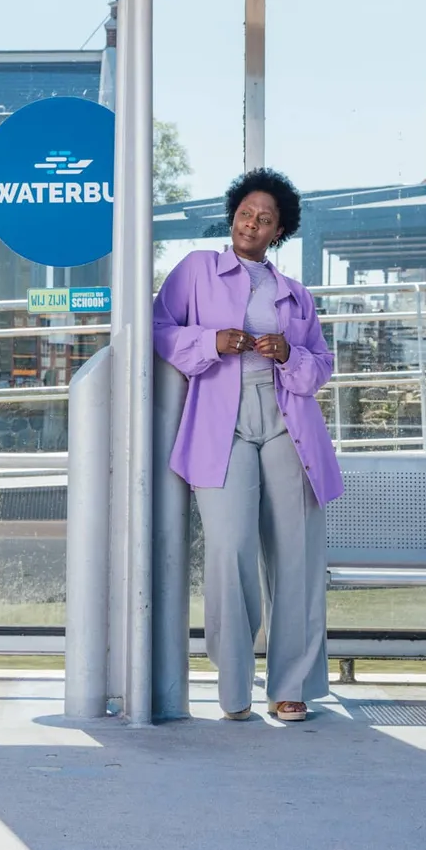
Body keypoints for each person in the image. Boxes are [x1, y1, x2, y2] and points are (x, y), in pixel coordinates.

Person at [153, 168, 342, 722]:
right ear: (232, 215)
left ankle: (290, 687)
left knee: (296, 557)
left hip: (288, 423)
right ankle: (234, 686)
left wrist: (287, 353)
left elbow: (319, 369)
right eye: (245, 214)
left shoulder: (295, 295)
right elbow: (159, 330)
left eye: (264, 220)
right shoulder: (196, 271)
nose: (251, 225)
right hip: (220, 423)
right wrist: (209, 341)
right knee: (230, 547)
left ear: (278, 231)